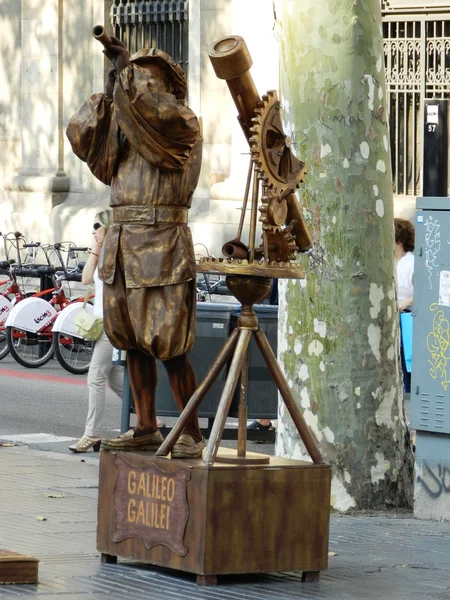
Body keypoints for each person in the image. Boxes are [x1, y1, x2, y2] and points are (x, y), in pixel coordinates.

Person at [66, 38, 203, 457]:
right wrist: (112, 86)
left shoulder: (180, 123)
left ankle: (191, 433)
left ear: (166, 84)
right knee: (131, 342)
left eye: (144, 76)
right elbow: (86, 137)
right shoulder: (128, 125)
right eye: (133, 75)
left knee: (169, 345)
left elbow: (151, 116)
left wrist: (125, 73)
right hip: (123, 244)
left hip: (161, 246)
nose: (136, 82)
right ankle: (145, 425)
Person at [69, 210, 124, 453]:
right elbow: (85, 278)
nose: (93, 231)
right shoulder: (102, 254)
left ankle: (92, 434)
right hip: (101, 322)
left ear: (109, 227)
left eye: (97, 226)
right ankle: (151, 419)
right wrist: (96, 249)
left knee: (95, 377)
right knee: (115, 380)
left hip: (112, 325)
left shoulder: (119, 256)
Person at [394, 217, 414, 406]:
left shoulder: (412, 263)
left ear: (399, 241)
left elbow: (423, 290)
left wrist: (405, 303)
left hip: (404, 315)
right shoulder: (387, 261)